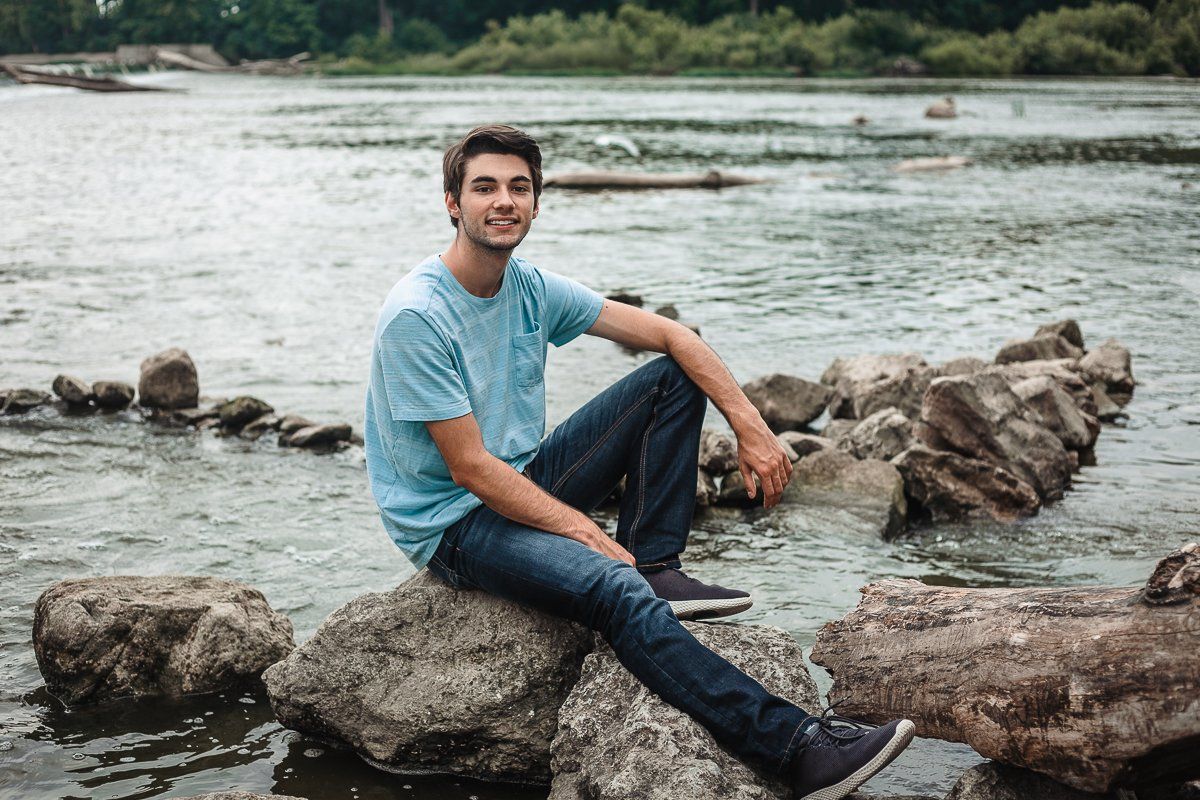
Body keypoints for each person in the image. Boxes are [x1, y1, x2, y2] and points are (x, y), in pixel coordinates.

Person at [364, 124, 914, 799]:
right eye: (485, 188)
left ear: (536, 202)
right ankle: (797, 750)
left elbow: (674, 335)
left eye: (519, 187)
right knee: (613, 589)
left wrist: (752, 426)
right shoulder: (418, 315)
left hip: (523, 478)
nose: (503, 201)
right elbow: (471, 470)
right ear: (453, 203)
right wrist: (588, 535)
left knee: (673, 374)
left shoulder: (530, 287)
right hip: (453, 524)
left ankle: (656, 564)